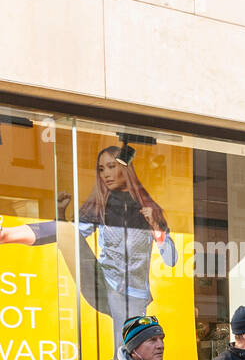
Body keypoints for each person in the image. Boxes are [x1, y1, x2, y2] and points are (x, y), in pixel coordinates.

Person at [0, 146, 176, 346]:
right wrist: (60, 213)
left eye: (111, 166)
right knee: (65, 230)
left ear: (126, 169)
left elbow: (171, 260)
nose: (106, 174)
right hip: (102, 283)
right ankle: (5, 234)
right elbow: (68, 235)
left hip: (132, 294)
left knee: (126, 350)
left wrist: (155, 227)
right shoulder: (100, 208)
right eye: (101, 169)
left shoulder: (149, 210)